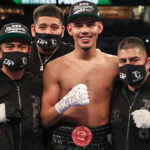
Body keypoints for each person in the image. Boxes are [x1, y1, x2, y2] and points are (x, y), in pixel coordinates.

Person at [41, 1, 118, 150]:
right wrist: (65, 103)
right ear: (69, 29)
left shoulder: (115, 64)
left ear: (99, 27)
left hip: (103, 140)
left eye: (90, 24)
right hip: (63, 140)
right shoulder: (55, 67)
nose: (84, 30)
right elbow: (45, 120)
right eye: (78, 25)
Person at [0, 22, 45, 150]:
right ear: (0, 52)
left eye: (21, 46)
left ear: (29, 51)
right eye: (10, 46)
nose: (16, 51)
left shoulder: (38, 83)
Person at [110, 37, 150, 150]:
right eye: (123, 61)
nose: (128, 65)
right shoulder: (114, 93)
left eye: (134, 60)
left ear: (147, 63)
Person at [25, 4, 73, 78]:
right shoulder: (24, 52)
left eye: (54, 28)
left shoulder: (72, 53)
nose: (48, 32)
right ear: (33, 30)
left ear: (62, 31)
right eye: (42, 27)